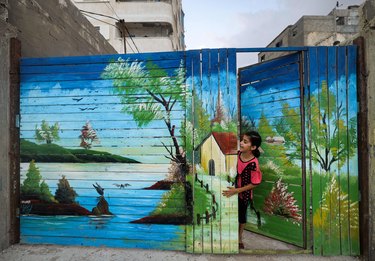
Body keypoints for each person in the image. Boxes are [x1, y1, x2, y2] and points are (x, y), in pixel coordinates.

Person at [222, 131, 262, 250]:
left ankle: (239, 238)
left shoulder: (254, 163)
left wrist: (237, 190)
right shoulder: (237, 155)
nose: (241, 143)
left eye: (245, 142)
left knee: (241, 217)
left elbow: (254, 183)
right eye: (241, 140)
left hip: (243, 194)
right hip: (232, 189)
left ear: (253, 147)